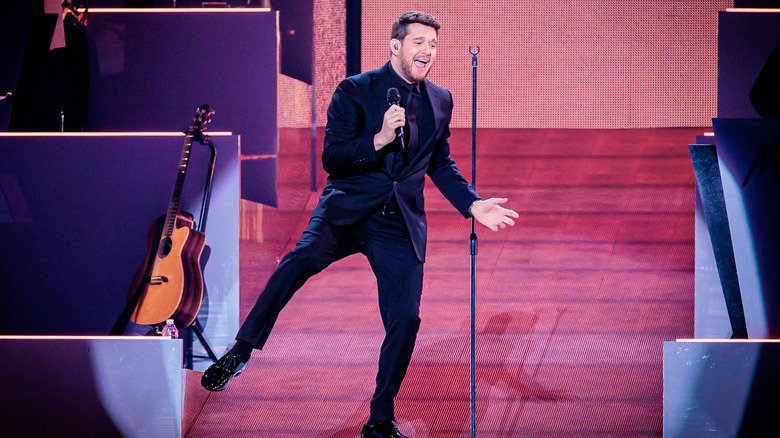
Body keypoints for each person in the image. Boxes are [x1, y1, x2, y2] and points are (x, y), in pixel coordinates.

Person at [201, 10, 519, 438]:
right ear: (395, 46)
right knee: (296, 264)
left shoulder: (440, 100)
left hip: (398, 223)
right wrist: (379, 140)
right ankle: (240, 351)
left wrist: (473, 204)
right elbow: (333, 158)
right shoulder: (355, 90)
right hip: (347, 210)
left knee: (406, 319)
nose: (428, 51)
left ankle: (380, 419)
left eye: (433, 45)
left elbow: (439, 162)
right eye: (419, 42)